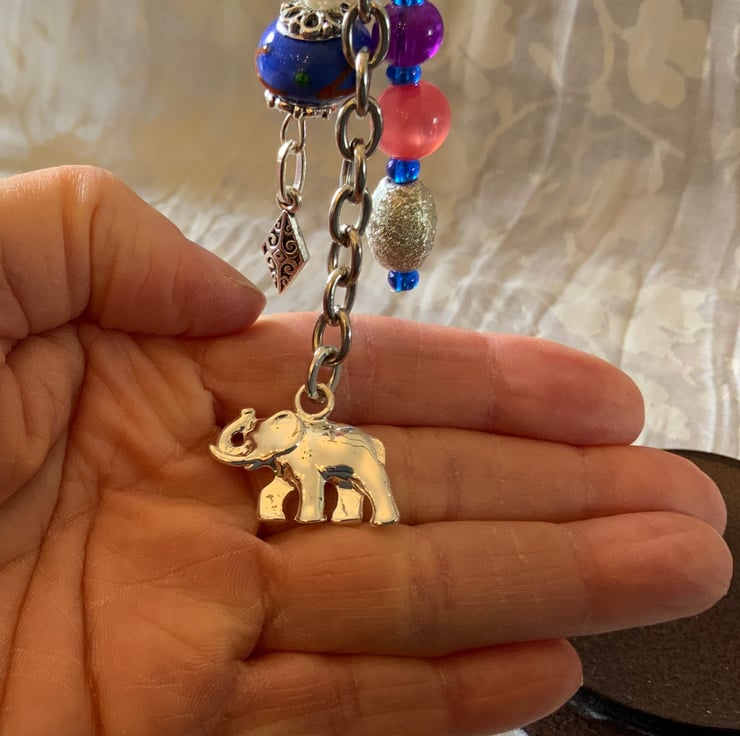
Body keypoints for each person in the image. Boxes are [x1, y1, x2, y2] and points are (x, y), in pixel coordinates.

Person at [0, 166, 731, 736]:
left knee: (360, 487)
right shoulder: (275, 445)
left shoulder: (302, 440)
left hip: (332, 455)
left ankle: (365, 506)